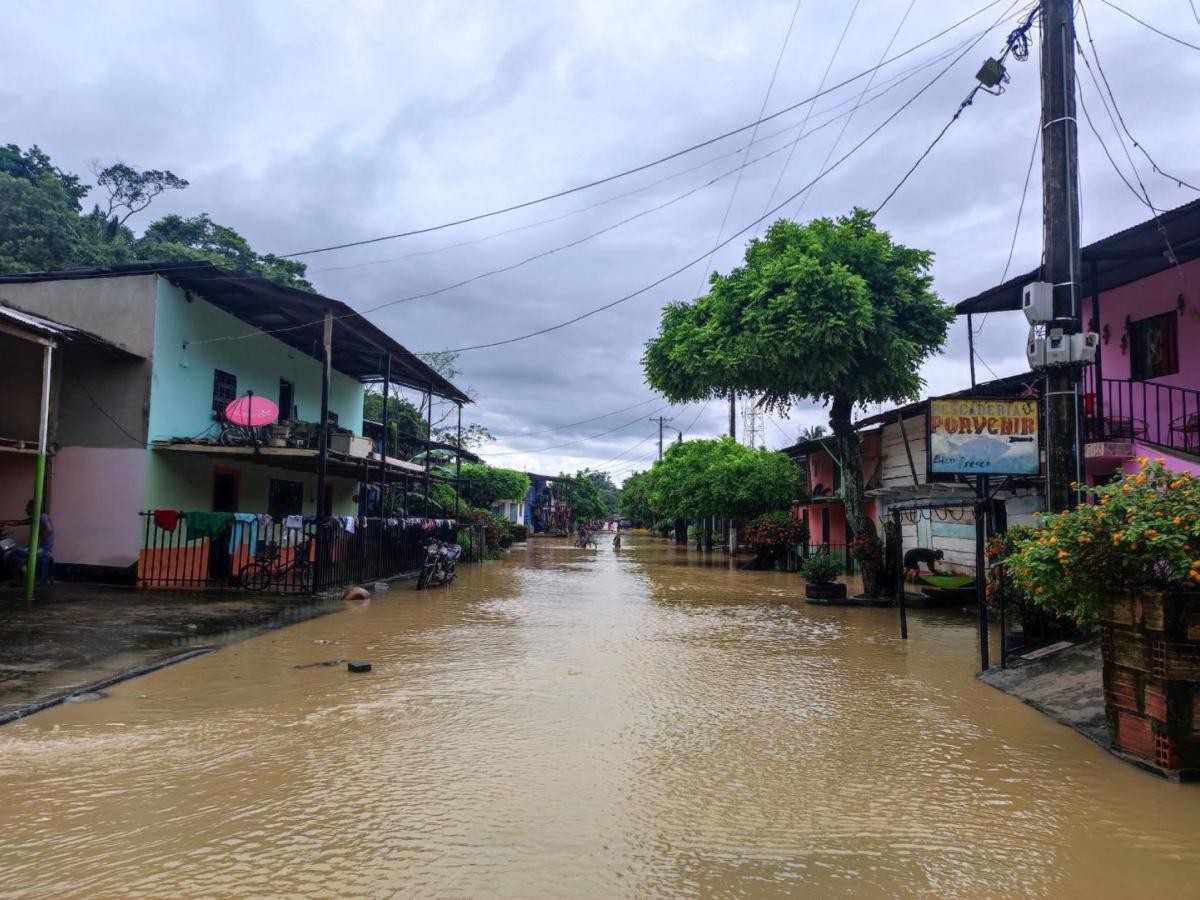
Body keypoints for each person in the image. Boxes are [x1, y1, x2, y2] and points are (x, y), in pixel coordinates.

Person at [1, 500, 54, 579]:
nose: (26, 509)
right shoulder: (36, 518)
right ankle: (23, 573)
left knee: (10, 553)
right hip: (40, 548)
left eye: (27, 507)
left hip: (43, 550)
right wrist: (3, 522)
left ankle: (25, 574)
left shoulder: (42, 516)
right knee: (11, 554)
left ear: (33, 508)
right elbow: (18, 522)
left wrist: (38, 543)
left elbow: (49, 530)